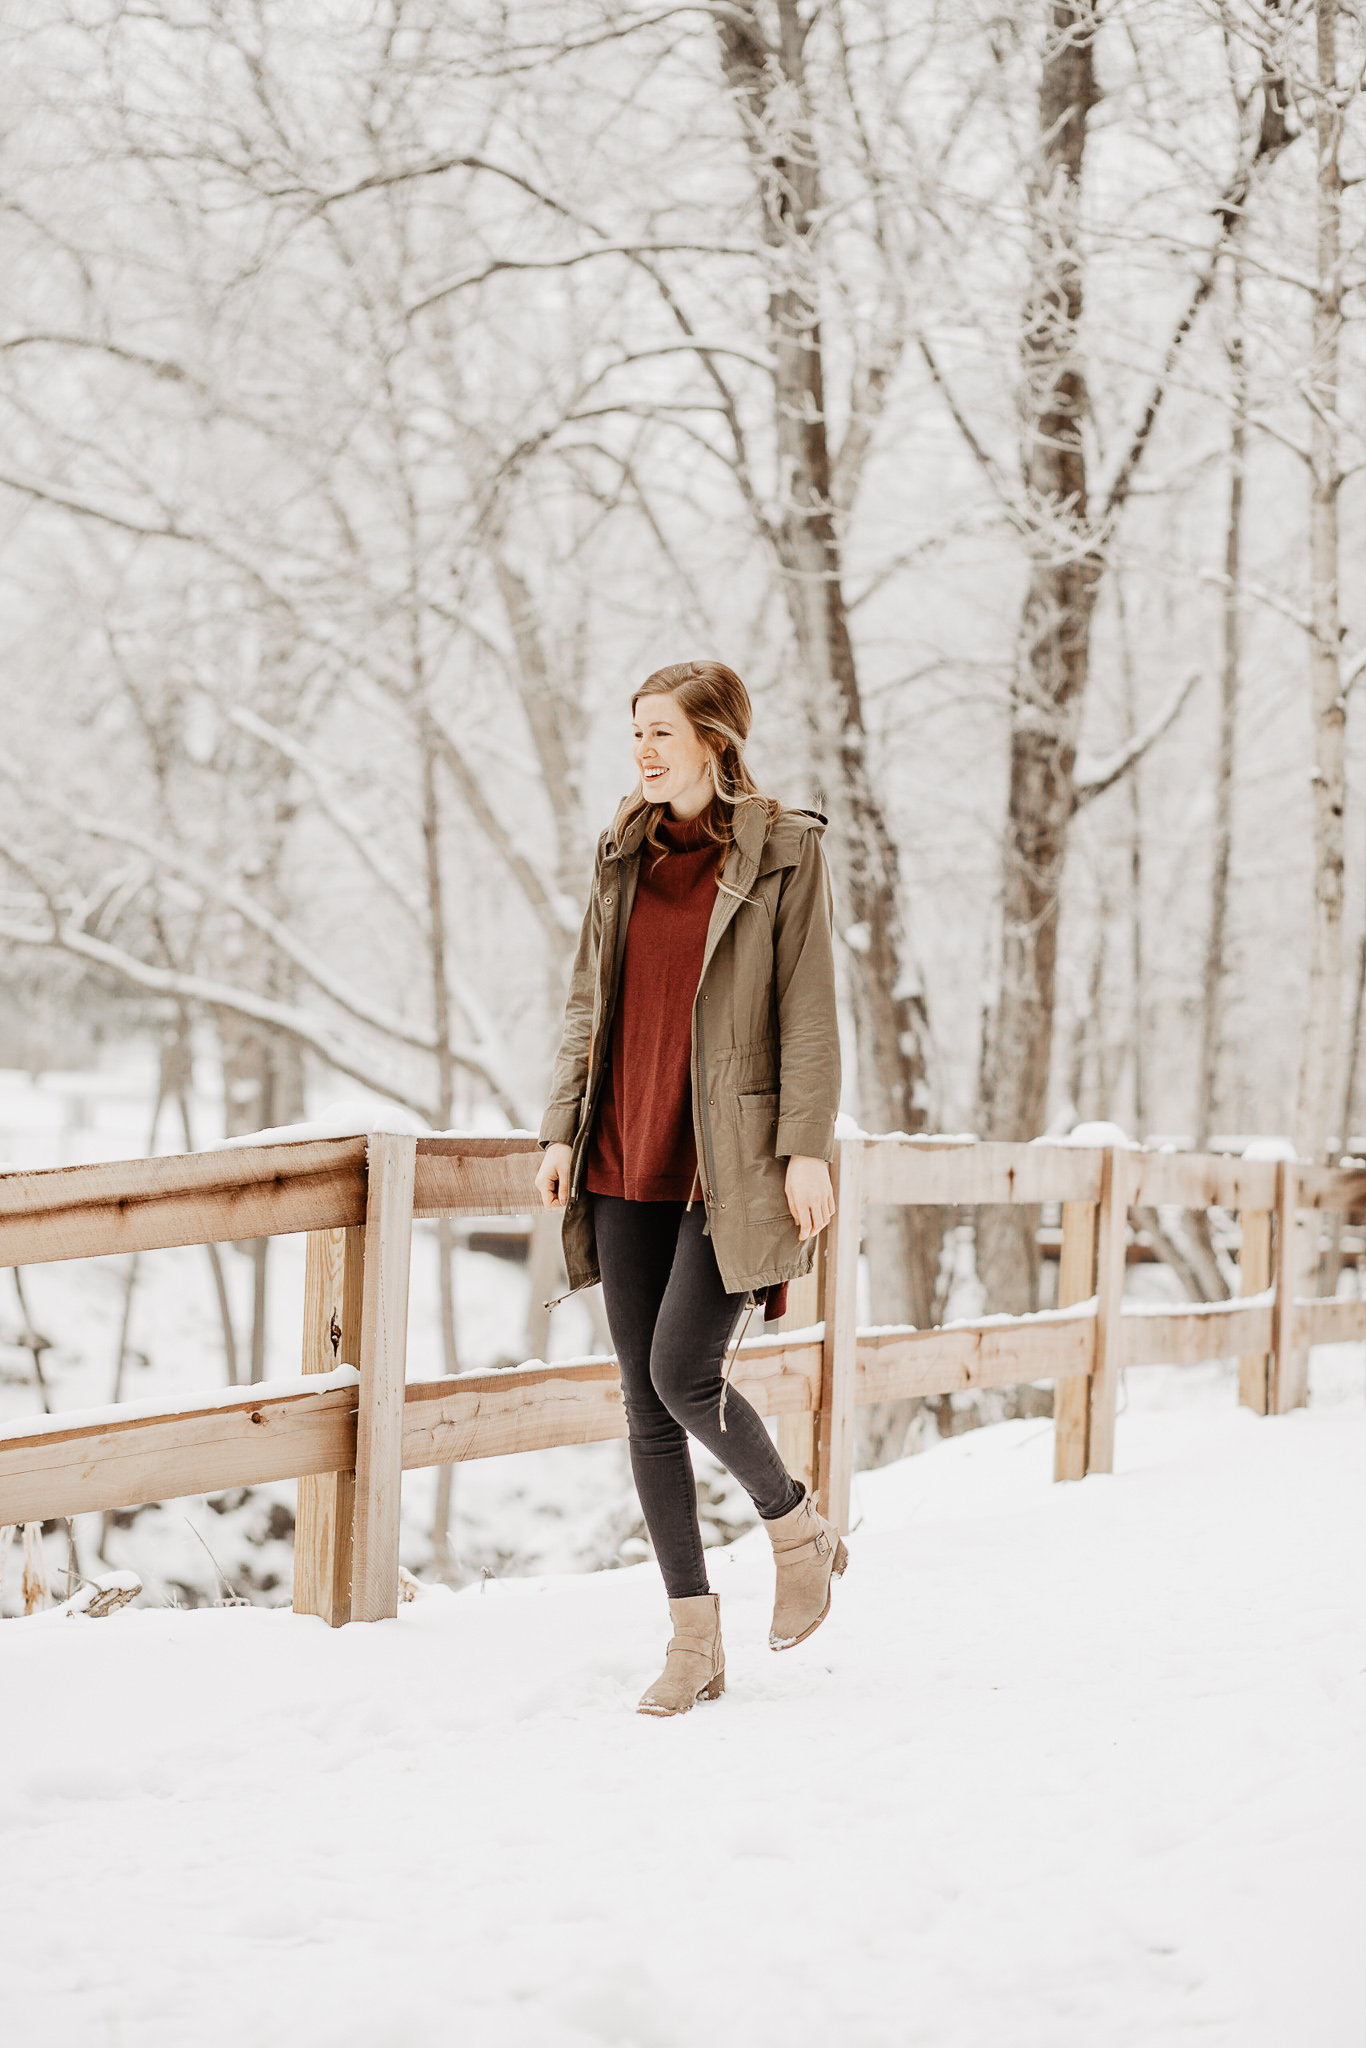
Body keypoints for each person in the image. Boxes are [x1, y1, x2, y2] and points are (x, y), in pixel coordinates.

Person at [534, 659, 847, 1717]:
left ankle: (791, 1520)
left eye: (663, 730)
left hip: (731, 1162)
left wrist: (804, 1145)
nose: (645, 749)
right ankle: (690, 1639)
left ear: (715, 737)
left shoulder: (782, 851)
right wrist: (558, 1127)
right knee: (644, 1401)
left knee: (679, 1369)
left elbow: (807, 1007)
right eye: (636, 732)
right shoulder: (623, 853)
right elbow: (587, 1004)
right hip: (624, 1152)